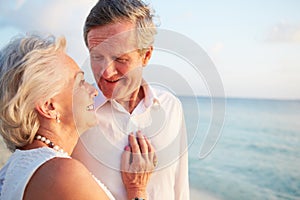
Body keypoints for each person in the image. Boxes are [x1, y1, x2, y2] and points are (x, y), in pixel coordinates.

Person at [0, 34, 156, 200]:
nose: (94, 91)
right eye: (81, 82)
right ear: (49, 107)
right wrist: (137, 190)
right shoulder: (61, 172)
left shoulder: (12, 168)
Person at [72, 0, 190, 199]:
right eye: (97, 57)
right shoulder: (75, 112)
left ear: (146, 55)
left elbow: (180, 188)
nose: (106, 72)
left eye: (120, 59)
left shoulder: (171, 106)